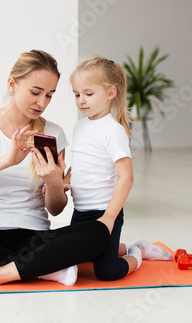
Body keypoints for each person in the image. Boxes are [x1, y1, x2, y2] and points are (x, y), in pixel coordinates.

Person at [0, 50, 111, 287]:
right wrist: (6, 160)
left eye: (49, 95)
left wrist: (54, 182)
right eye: (35, 92)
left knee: (97, 232)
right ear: (12, 84)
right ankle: (42, 269)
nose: (42, 103)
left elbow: (56, 210)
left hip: (33, 237)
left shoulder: (53, 134)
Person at [66, 56, 171, 281]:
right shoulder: (80, 126)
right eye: (77, 94)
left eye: (88, 93)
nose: (81, 100)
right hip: (80, 212)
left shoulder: (112, 131)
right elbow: (82, 160)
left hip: (104, 212)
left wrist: (109, 217)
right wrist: (66, 179)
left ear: (111, 93)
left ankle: (137, 251)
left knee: (106, 271)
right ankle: (124, 247)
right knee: (71, 263)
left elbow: (126, 178)